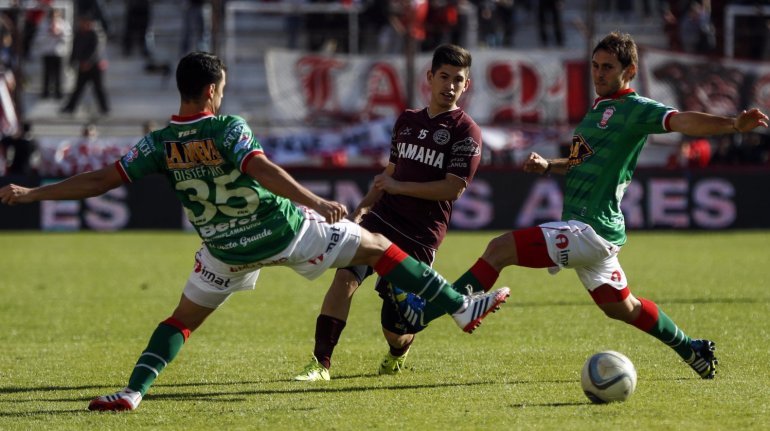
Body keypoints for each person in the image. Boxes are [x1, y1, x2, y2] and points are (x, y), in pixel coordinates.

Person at [0, 51, 510, 412]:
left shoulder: (157, 144)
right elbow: (261, 169)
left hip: (224, 250)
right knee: (378, 248)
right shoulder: (227, 128)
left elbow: (98, 181)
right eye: (220, 88)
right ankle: (459, 307)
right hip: (283, 232)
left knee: (181, 320)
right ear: (211, 91)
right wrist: (315, 202)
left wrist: (31, 193)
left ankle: (133, 392)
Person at [414, 31, 768, 379]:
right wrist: (548, 166)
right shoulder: (597, 111)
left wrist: (733, 124)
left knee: (499, 249)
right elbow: (579, 162)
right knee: (623, 307)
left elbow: (681, 120)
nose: (599, 74)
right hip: (597, 233)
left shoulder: (635, 109)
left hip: (589, 229)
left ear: (629, 71)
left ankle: (424, 313)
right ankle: (693, 349)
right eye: (596, 66)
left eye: (608, 67)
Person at [293, 43, 482, 381]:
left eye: (458, 79)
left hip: (420, 235)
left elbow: (452, 189)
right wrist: (362, 209)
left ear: (466, 85)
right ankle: (320, 364)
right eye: (444, 76)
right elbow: (389, 175)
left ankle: (399, 350)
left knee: (395, 330)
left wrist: (398, 187)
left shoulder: (466, 131)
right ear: (430, 77)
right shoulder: (407, 120)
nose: (450, 85)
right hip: (382, 218)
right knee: (344, 277)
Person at [61, 14, 110, 116]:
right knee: (78, 88)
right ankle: (70, 107)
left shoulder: (94, 35)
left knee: (98, 88)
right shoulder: (79, 34)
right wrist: (72, 61)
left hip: (94, 67)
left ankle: (104, 108)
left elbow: (95, 51)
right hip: (82, 66)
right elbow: (75, 49)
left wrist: (87, 62)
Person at [35, 7, 71, 100]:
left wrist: (59, 34)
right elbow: (39, 39)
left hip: (59, 52)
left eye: (56, 15)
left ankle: (58, 93)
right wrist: (49, 33)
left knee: (59, 74)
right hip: (47, 52)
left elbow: (68, 37)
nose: (54, 17)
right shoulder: (43, 24)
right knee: (47, 74)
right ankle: (45, 93)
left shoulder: (64, 24)